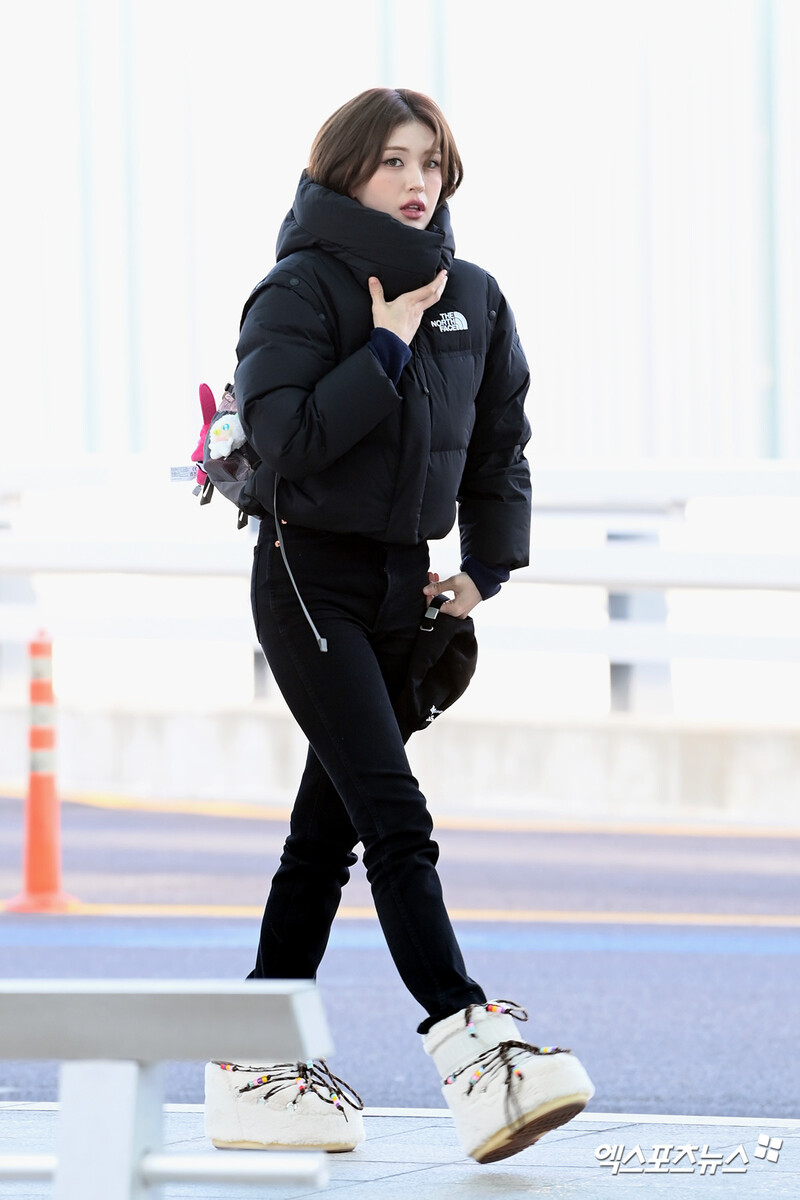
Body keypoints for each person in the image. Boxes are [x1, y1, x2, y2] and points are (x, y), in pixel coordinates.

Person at [203, 87, 593, 1165]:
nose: (415, 182)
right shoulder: (295, 290)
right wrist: (382, 347)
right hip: (305, 578)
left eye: (428, 161)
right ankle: (472, 1045)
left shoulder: (472, 293)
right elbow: (284, 439)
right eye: (389, 163)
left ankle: (253, 1061)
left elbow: (498, 441)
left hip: (400, 590)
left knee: (322, 838)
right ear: (342, 175)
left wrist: (481, 573)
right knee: (391, 813)